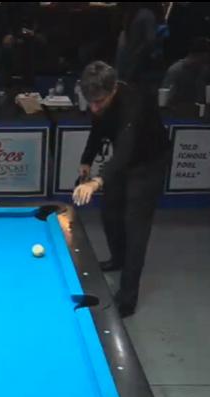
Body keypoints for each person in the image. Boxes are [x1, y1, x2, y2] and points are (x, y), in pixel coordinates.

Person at [72, 61, 171, 318]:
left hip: (149, 163)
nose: (94, 108)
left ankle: (127, 300)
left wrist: (96, 181)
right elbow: (99, 127)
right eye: (90, 102)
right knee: (110, 212)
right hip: (122, 163)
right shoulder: (100, 102)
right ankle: (118, 258)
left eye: (99, 102)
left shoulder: (133, 103)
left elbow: (126, 149)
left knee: (135, 227)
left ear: (113, 89)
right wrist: (86, 159)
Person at [161, 37, 210, 104]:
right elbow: (166, 98)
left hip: (200, 108)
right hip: (179, 108)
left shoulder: (204, 70)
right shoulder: (176, 71)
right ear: (203, 55)